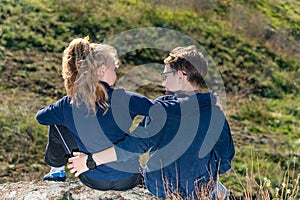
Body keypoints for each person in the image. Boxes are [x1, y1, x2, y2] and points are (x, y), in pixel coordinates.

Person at [68, 45, 235, 199]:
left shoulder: (162, 109)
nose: (162, 82)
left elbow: (132, 147)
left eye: (165, 75)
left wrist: (90, 161)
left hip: (160, 187)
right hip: (199, 189)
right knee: (222, 192)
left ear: (180, 75)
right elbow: (225, 157)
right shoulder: (215, 112)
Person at [36, 38, 155, 190]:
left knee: (56, 121)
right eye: (114, 69)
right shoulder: (126, 98)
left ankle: (56, 171)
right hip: (130, 178)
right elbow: (159, 111)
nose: (116, 74)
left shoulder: (69, 103)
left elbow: (41, 117)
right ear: (101, 70)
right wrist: (138, 135)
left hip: (93, 179)